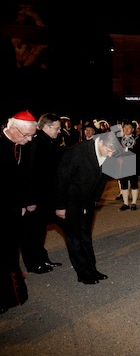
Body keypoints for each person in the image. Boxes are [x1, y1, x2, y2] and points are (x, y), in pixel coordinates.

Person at [55, 129, 121, 284]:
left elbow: (103, 178)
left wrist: (96, 200)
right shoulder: (78, 151)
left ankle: (92, 269)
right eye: (109, 151)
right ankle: (83, 273)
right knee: (74, 239)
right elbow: (61, 179)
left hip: (88, 202)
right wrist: (60, 206)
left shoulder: (109, 153)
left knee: (85, 236)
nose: (111, 155)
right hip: (70, 201)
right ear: (102, 143)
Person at [1, 111, 37, 313]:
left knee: (10, 253)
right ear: (13, 130)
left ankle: (13, 295)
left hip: (13, 210)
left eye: (32, 135)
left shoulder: (22, 144)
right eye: (27, 135)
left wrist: (23, 202)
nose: (30, 140)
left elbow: (22, 178)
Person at [22, 113, 64, 275]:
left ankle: (43, 259)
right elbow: (30, 173)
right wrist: (30, 199)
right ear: (46, 127)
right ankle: (33, 263)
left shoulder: (49, 142)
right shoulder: (36, 143)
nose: (59, 131)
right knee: (31, 232)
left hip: (45, 195)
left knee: (40, 231)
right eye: (57, 128)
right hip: (35, 197)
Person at [118, 120, 140, 211]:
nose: (126, 130)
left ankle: (134, 203)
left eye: (129, 128)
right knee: (124, 184)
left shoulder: (137, 139)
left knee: (134, 183)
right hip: (122, 164)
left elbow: (138, 151)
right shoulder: (119, 139)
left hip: (133, 164)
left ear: (132, 129)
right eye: (125, 128)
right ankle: (125, 203)